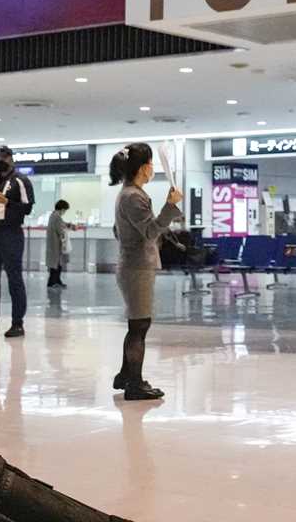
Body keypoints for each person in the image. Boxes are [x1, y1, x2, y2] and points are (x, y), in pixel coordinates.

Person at [110, 143, 182, 401]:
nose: (153, 168)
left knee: (137, 323)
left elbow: (121, 230)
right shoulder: (133, 196)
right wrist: (169, 207)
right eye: (151, 163)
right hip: (136, 266)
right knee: (139, 325)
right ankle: (135, 384)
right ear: (142, 168)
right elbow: (150, 231)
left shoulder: (129, 193)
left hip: (134, 264)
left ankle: (126, 375)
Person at [0, 145, 35, 338]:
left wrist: (6, 202)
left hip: (10, 234)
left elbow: (28, 208)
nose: (0, 160)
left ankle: (17, 323)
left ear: (11, 158)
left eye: (3, 157)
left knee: (14, 279)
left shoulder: (20, 180)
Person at [46, 200, 77, 289]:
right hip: (55, 245)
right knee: (55, 265)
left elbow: (62, 224)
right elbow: (61, 229)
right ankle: (52, 282)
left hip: (55, 245)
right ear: (62, 209)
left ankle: (57, 281)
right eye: (65, 210)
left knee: (57, 264)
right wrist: (70, 228)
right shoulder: (56, 217)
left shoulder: (54, 215)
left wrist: (71, 226)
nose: (65, 212)